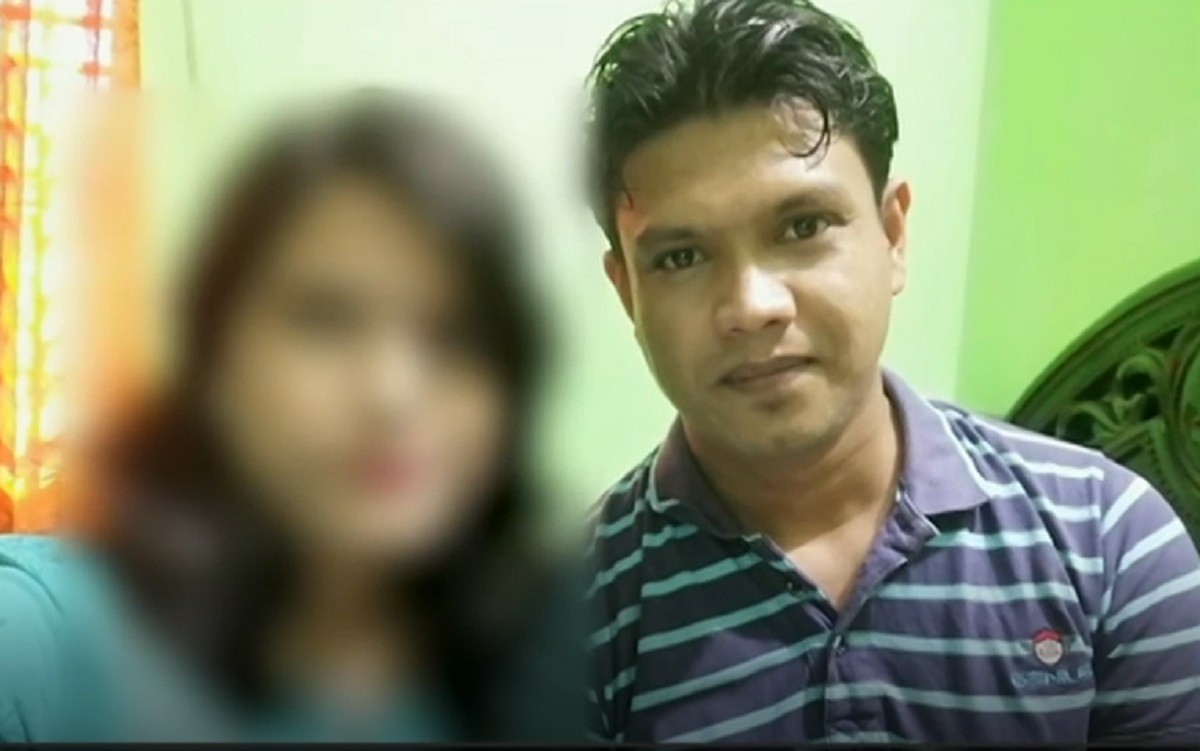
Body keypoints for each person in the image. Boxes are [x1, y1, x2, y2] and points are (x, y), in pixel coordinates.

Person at [581, 0, 1200, 744]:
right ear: (628, 291)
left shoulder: (1109, 542)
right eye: (681, 257)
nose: (752, 306)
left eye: (803, 226)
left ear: (892, 234)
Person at [0, 90, 581, 742]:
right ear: (216, 357)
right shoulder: (53, 634)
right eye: (326, 318)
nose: (392, 394)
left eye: (454, 336)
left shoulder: (511, 673)